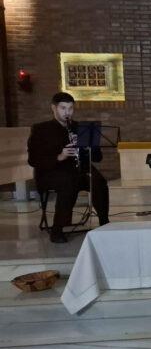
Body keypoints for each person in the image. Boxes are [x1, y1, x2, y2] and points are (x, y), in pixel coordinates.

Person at [27, 92, 109, 243]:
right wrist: (60, 156)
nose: (67, 112)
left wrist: (86, 147)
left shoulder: (80, 128)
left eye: (70, 108)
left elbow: (97, 158)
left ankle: (104, 222)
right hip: (51, 172)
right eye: (63, 108)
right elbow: (33, 160)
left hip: (78, 169)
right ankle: (57, 229)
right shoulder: (41, 129)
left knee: (99, 181)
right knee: (68, 181)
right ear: (54, 108)